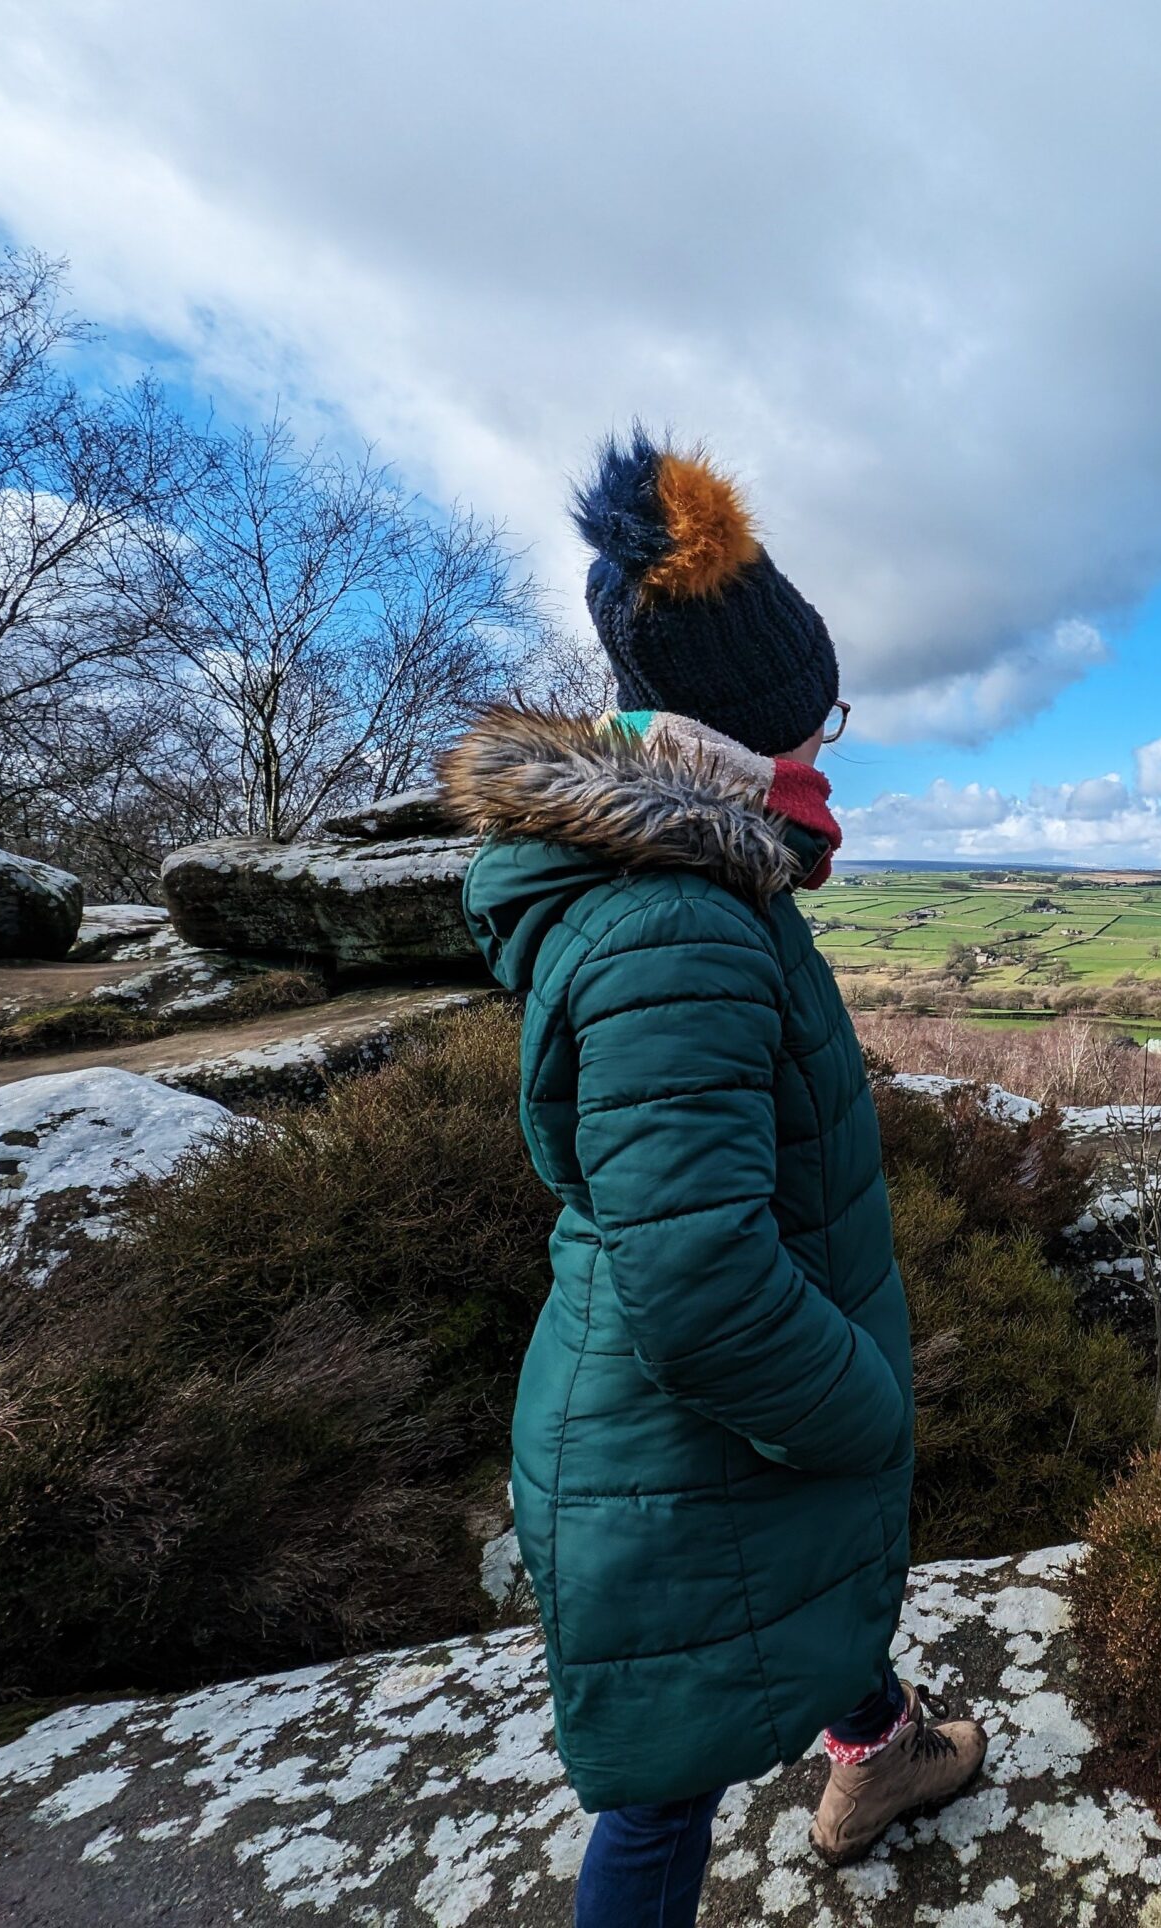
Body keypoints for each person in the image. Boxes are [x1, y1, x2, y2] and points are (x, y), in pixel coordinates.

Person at [438, 431, 987, 1926]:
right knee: (661, 1788)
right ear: (756, 726)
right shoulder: (675, 921)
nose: (834, 736)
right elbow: (699, 1280)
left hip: (684, 1414)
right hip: (672, 1434)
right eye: (827, 712)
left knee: (801, 1573)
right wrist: (865, 1405)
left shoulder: (689, 875)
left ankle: (874, 1753)